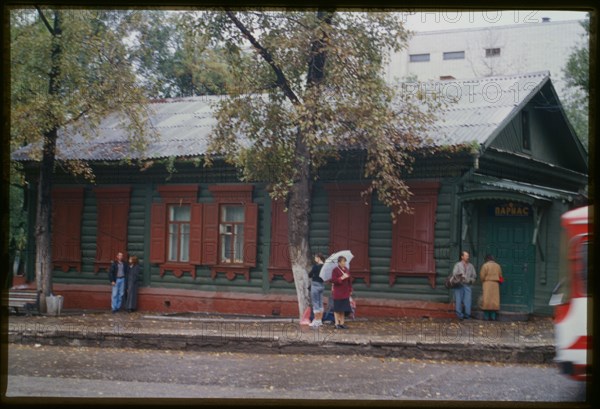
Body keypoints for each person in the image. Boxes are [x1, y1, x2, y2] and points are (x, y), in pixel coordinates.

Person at [451, 250, 477, 320]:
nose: (468, 257)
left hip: (467, 285)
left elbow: (474, 276)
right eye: (466, 256)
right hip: (459, 285)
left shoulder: (471, 266)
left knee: (467, 301)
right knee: (458, 301)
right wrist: (460, 277)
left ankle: (467, 315)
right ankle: (459, 316)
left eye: (468, 256)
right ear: (462, 257)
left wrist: (471, 280)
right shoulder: (457, 265)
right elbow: (454, 274)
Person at [331, 255, 353, 329]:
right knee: (337, 308)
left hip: (345, 292)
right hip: (338, 292)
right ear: (339, 262)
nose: (344, 263)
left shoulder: (346, 269)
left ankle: (342, 323)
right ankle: (337, 324)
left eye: (345, 261)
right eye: (343, 261)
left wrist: (350, 290)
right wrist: (341, 278)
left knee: (343, 308)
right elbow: (333, 280)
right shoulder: (335, 270)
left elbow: (349, 281)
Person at [480, 254, 503, 321]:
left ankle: (486, 317)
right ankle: (493, 317)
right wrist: (500, 282)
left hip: (487, 283)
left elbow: (482, 276)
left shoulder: (485, 265)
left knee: (487, 300)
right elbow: (500, 276)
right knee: (494, 301)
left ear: (487, 259)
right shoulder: (498, 266)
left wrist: (483, 281)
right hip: (495, 284)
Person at [308, 253, 326, 328]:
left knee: (315, 303)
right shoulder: (325, 267)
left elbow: (309, 275)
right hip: (321, 285)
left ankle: (316, 321)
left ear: (319, 258)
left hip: (315, 286)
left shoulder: (316, 267)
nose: (315, 259)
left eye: (315, 258)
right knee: (320, 303)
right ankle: (320, 321)